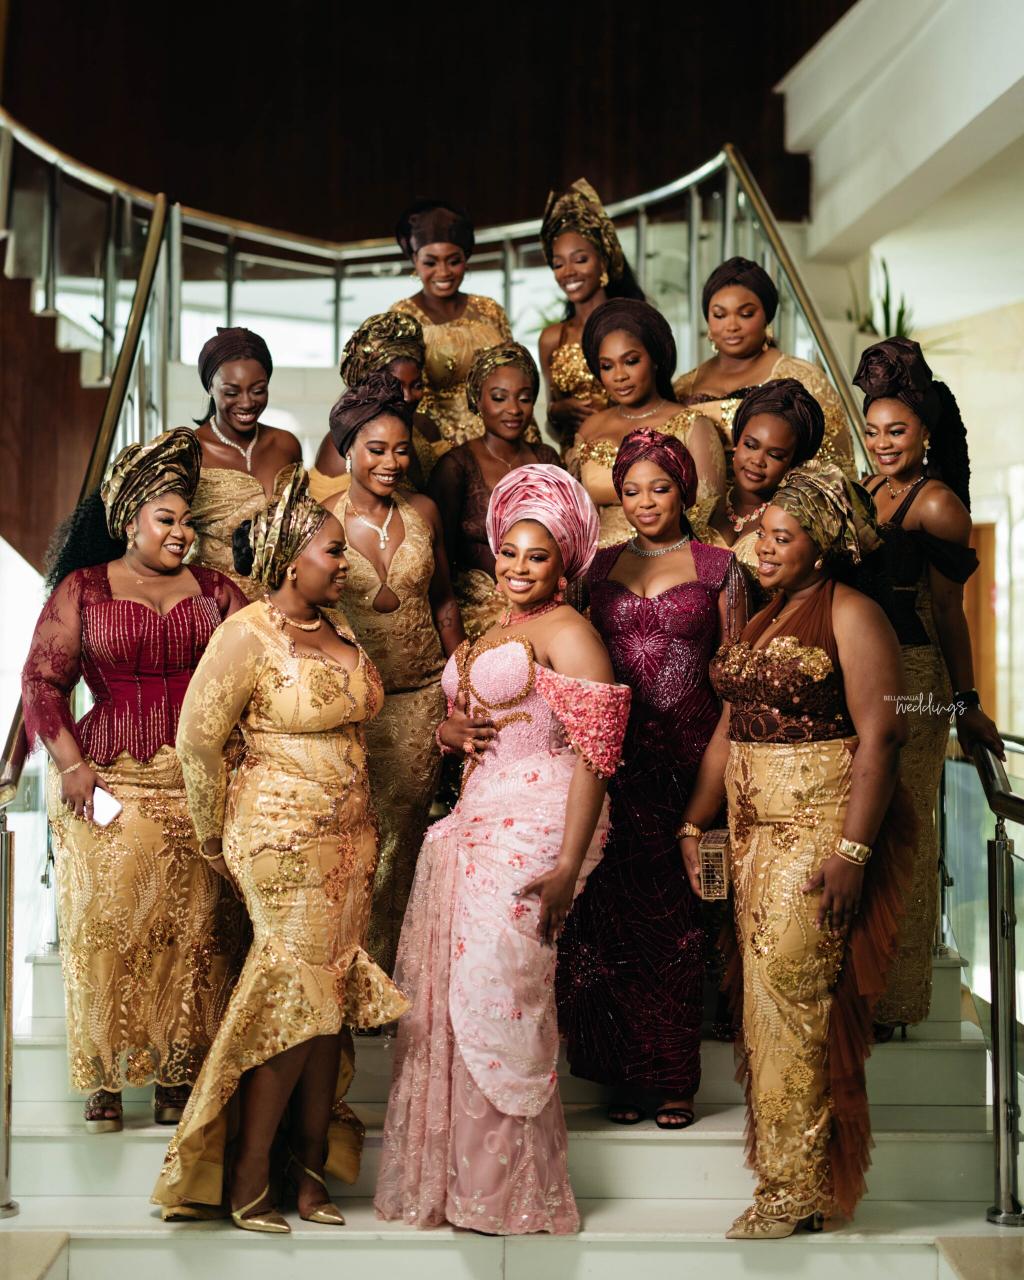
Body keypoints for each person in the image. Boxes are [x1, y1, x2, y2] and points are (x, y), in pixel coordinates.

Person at [374, 464, 630, 1235]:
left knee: (500, 993)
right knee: (457, 998)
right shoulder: (492, 629)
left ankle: (509, 1193)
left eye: (537, 556)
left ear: (565, 563)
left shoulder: (569, 631)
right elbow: (470, 716)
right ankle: (464, 1189)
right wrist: (447, 730)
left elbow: (597, 755)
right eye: (509, 553)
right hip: (477, 820)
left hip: (540, 827)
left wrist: (567, 869)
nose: (519, 567)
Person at [152, 466, 408, 1233]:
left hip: (351, 839)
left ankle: (309, 1169)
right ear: (292, 561)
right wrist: (213, 835)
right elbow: (197, 741)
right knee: (295, 994)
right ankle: (247, 1172)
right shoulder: (247, 634)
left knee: (329, 999)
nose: (346, 563)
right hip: (280, 839)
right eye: (334, 550)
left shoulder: (340, 627)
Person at [678, 462, 912, 1238]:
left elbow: (884, 736)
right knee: (764, 1002)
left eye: (785, 536)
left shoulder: (853, 613)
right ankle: (792, 1180)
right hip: (750, 837)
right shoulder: (762, 614)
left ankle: (795, 1188)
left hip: (814, 833)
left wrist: (852, 851)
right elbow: (729, 728)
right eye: (764, 534)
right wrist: (693, 825)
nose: (766, 547)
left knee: (790, 999)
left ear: (823, 544)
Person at [21, 429, 247, 1135]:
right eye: (166, 519)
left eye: (188, 521)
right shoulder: (82, 589)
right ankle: (107, 1078)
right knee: (106, 928)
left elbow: (258, 676)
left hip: (199, 785)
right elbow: (42, 682)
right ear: (129, 521)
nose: (181, 533)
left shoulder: (218, 591)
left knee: (197, 934)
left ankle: (179, 1073)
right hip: (106, 782)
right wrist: (71, 765)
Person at [557, 430, 747, 1129]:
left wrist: (712, 788)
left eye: (659, 488)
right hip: (613, 761)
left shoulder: (722, 568)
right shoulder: (598, 567)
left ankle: (672, 1080)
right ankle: (622, 1074)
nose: (644, 502)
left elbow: (736, 680)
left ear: (684, 490)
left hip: (689, 761)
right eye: (631, 490)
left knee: (678, 924)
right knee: (608, 919)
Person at [854, 338, 1003, 1034]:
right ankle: (859, 985)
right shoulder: (867, 490)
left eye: (897, 431)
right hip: (861, 674)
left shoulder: (938, 504)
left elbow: (949, 613)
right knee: (862, 824)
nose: (883, 443)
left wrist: (966, 705)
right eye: (873, 430)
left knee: (904, 827)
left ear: (924, 434)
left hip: (913, 679)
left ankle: (896, 997)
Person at [324, 371, 465, 976]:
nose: (391, 463)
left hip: (419, 701)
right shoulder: (321, 521)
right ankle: (344, 971)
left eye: (401, 450)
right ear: (347, 450)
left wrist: (462, 682)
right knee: (353, 841)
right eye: (376, 450)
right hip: (352, 709)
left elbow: (444, 601)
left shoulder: (424, 510)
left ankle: (386, 976)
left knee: (401, 840)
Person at [427, 341, 562, 640]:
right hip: (479, 613)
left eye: (524, 398)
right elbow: (439, 560)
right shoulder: (455, 466)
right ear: (477, 399)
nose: (513, 409)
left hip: (546, 601)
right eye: (499, 398)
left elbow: (566, 539)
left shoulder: (547, 458)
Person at [673, 257, 854, 475]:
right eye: (720, 315)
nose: (731, 326)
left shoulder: (807, 379)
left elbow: (836, 469)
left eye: (746, 314)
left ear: (766, 317)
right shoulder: (683, 387)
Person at [568, 298, 725, 546]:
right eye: (607, 366)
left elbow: (707, 513)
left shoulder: (692, 425)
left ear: (655, 359)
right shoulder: (589, 428)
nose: (619, 376)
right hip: (598, 559)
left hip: (671, 558)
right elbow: (578, 514)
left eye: (631, 361)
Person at [188, 327, 302, 598]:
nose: (247, 402)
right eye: (231, 392)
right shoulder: (189, 450)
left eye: (258, 390)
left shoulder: (286, 445)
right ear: (210, 388)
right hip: (215, 602)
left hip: (284, 600)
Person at [391, 200, 512, 449]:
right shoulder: (401, 317)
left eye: (453, 261)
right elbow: (402, 390)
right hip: (437, 442)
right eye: (430, 263)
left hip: (501, 434)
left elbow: (514, 373)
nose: (443, 272)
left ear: (466, 258)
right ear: (414, 260)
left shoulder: (489, 309)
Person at [689, 378, 825, 599]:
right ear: (736, 443)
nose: (757, 461)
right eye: (750, 445)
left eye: (775, 455)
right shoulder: (698, 513)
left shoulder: (794, 525)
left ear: (793, 464)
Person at [537, 178, 645, 452]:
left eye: (580, 259)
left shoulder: (634, 325)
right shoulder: (552, 338)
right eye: (558, 264)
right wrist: (557, 412)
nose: (568, 272)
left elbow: (657, 399)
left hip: (634, 452)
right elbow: (551, 426)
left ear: (603, 261)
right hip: (575, 459)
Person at [310, 311, 440, 503]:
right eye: (395, 385)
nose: (407, 397)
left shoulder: (425, 427)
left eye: (417, 385)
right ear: (368, 385)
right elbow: (330, 515)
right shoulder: (339, 446)